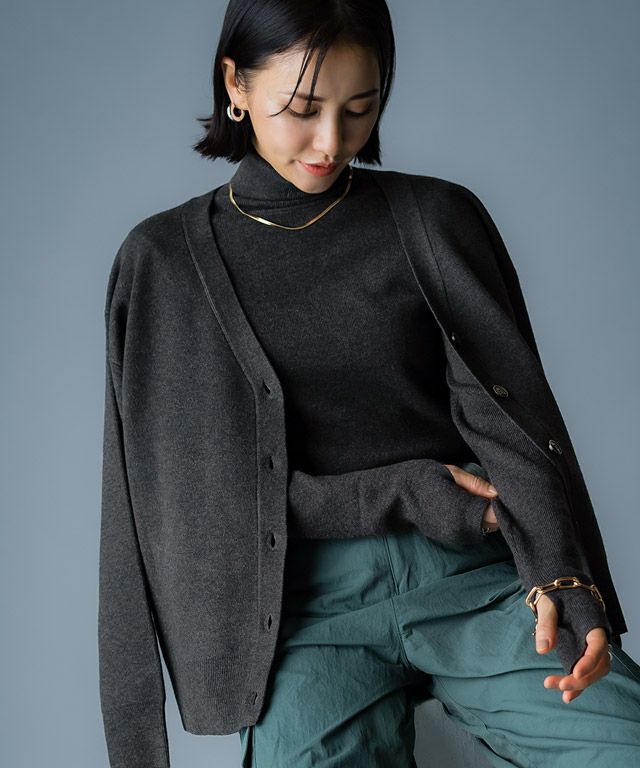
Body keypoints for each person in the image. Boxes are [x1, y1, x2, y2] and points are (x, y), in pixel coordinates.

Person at [98, 1, 640, 766]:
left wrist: (564, 576)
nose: (331, 141)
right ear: (236, 84)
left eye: (360, 108)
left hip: (472, 575)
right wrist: (406, 490)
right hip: (299, 610)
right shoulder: (164, 263)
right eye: (302, 109)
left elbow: (509, 421)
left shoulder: (435, 219)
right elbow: (191, 499)